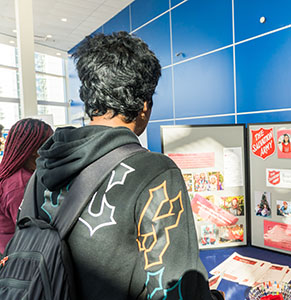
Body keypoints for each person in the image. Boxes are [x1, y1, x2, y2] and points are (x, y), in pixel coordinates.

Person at [28, 32, 223, 300]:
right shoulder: (156, 172)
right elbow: (176, 289)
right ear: (144, 106)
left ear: (89, 100)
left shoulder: (44, 167)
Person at [0, 118, 53, 254]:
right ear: (35, 150)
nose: (53, 147)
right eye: (50, 142)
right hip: (16, 259)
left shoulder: (12, 175)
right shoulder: (20, 184)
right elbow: (30, 232)